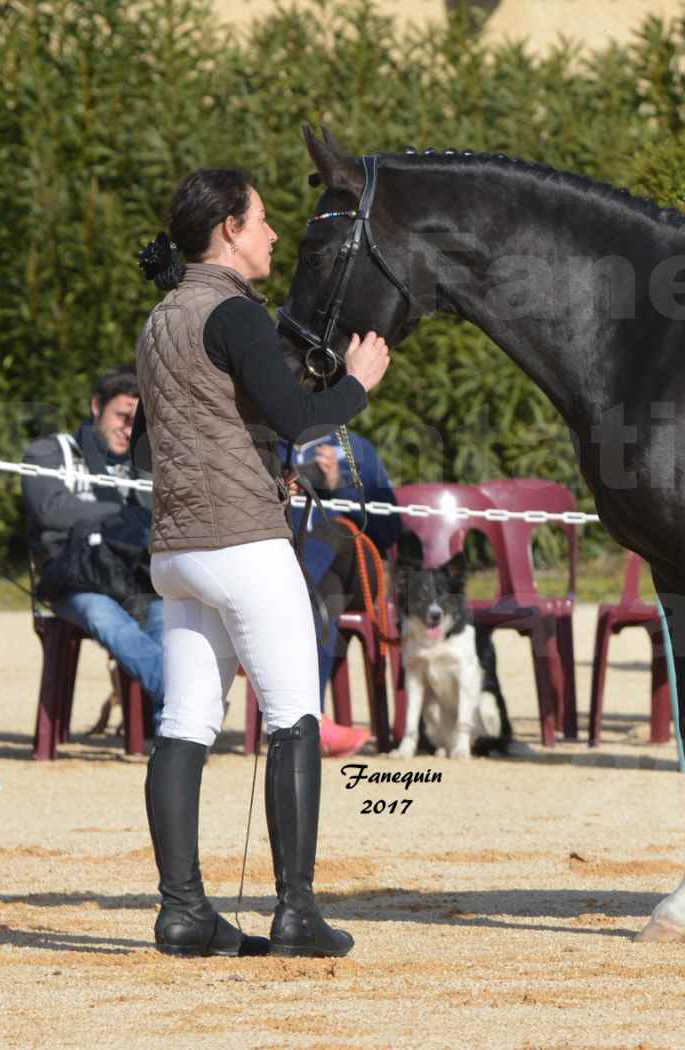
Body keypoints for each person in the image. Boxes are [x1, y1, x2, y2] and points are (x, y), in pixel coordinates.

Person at [132, 167, 390, 958]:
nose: (275, 234)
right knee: (294, 716)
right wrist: (359, 383)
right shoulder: (236, 313)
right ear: (230, 230)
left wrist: (250, 461)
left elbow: (172, 436)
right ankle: (297, 912)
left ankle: (183, 911)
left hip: (176, 547)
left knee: (183, 725)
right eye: (264, 220)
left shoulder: (159, 319)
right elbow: (302, 417)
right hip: (243, 542)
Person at [22, 365, 165, 723]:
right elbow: (51, 511)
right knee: (107, 618)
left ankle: (171, 731)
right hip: (76, 581)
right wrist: (121, 514)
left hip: (134, 581)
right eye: (122, 416)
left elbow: (159, 522)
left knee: (170, 620)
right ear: (96, 406)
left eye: (138, 421)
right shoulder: (50, 452)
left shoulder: (143, 465)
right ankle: (186, 700)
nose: (129, 429)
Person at [283, 429, 402, 756]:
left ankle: (294, 596)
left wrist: (339, 487)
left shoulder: (355, 448)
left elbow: (391, 528)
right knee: (322, 601)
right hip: (314, 580)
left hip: (358, 573)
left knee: (332, 530)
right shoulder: (273, 443)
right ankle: (312, 723)